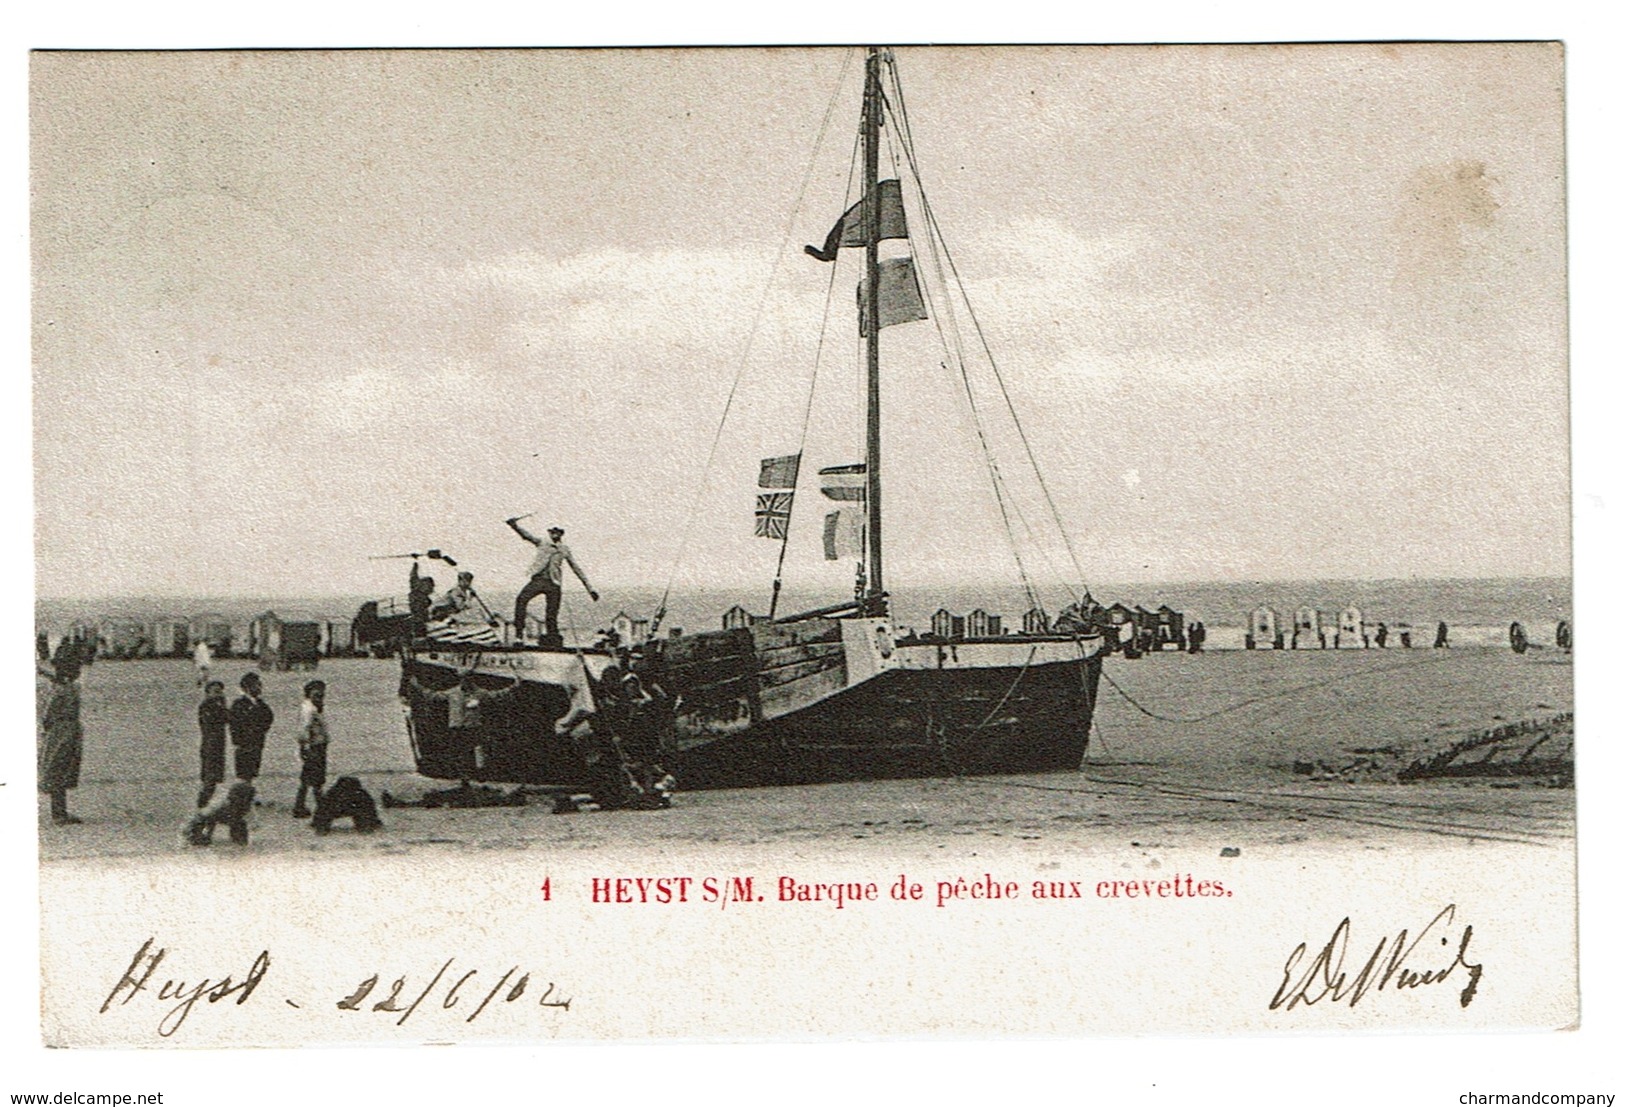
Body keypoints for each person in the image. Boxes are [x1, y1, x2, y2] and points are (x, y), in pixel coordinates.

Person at [507, 519, 599, 642]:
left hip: (554, 583)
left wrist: (590, 589)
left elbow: (577, 569)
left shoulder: (564, 549)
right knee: (521, 600)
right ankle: (519, 634)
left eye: (558, 532)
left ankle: (552, 638)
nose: (555, 534)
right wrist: (514, 526)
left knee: (552, 613)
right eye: (552, 532)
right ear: (550, 533)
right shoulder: (542, 543)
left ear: (561, 534)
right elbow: (526, 536)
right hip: (539, 580)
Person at [39, 657, 84, 825]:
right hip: (67, 732)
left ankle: (59, 812)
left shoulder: (60, 689)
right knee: (61, 770)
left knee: (56, 769)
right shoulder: (70, 689)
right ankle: (59, 814)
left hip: (58, 731)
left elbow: (47, 716)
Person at [293, 680, 330, 818]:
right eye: (316, 694)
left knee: (308, 777)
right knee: (315, 778)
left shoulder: (314, 707)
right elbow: (304, 730)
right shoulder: (309, 710)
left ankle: (301, 805)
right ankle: (319, 807)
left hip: (316, 745)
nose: (320, 696)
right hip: (314, 746)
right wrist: (305, 747)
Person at [228, 672, 273, 783]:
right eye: (256, 685)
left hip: (257, 742)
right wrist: (239, 741)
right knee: (244, 773)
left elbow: (269, 717)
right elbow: (234, 724)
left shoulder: (260, 704)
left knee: (253, 771)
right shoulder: (239, 704)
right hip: (244, 744)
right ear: (247, 688)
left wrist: (261, 730)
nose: (259, 688)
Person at [197, 679, 229, 808]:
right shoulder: (207, 706)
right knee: (210, 777)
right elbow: (216, 720)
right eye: (216, 691)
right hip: (210, 745)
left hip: (217, 744)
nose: (220, 694)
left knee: (214, 777)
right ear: (208, 693)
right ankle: (202, 803)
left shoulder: (217, 704)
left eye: (220, 691)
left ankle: (205, 802)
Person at [408, 561, 436, 636]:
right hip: (419, 621)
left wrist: (415, 566)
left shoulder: (418, 592)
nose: (432, 588)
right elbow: (413, 578)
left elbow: (413, 578)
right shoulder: (418, 594)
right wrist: (415, 565)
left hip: (421, 620)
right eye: (431, 586)